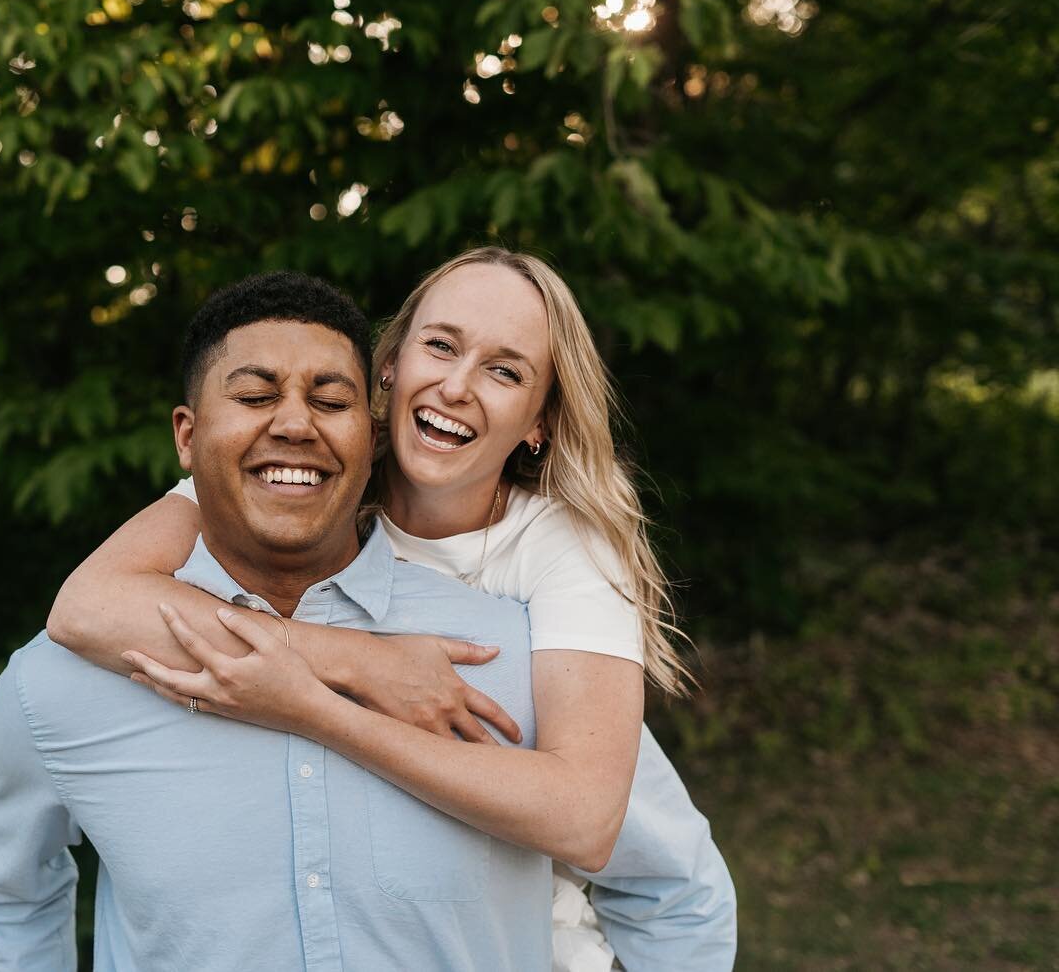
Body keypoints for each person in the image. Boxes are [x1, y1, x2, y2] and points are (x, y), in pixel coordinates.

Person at [45, 257, 736, 970]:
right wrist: (360, 662)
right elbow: (88, 605)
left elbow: (597, 824)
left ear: (540, 422)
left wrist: (309, 707)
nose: (458, 386)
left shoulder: (562, 555)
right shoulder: (307, 468)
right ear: (390, 365)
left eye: (505, 371)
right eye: (440, 346)